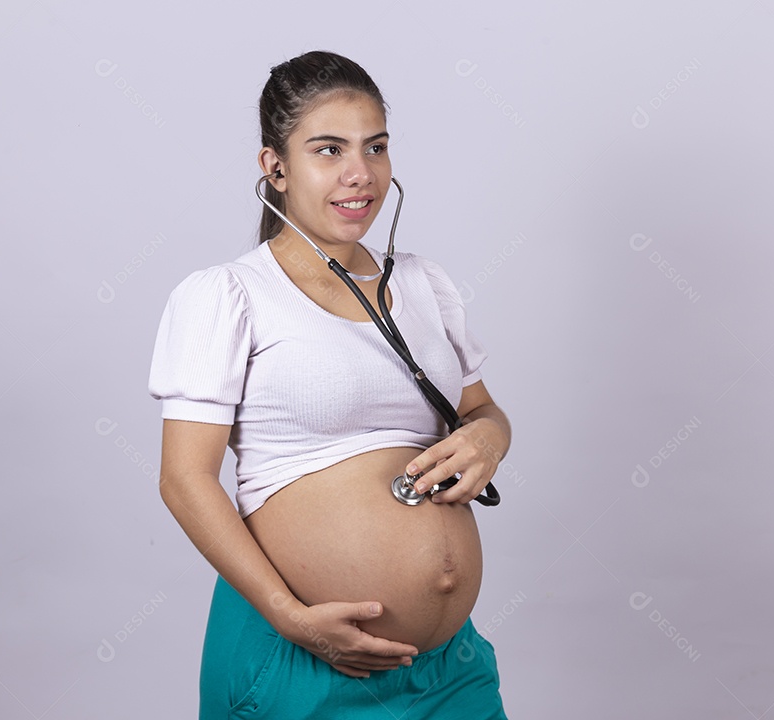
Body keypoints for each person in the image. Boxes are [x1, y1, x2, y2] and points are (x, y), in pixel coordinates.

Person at [148, 50, 511, 719]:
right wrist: (289, 615)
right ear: (275, 168)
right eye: (329, 149)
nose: (359, 173)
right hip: (305, 659)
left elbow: (480, 410)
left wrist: (490, 436)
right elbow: (184, 480)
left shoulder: (425, 285)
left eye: (375, 147)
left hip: (450, 668)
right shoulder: (227, 296)